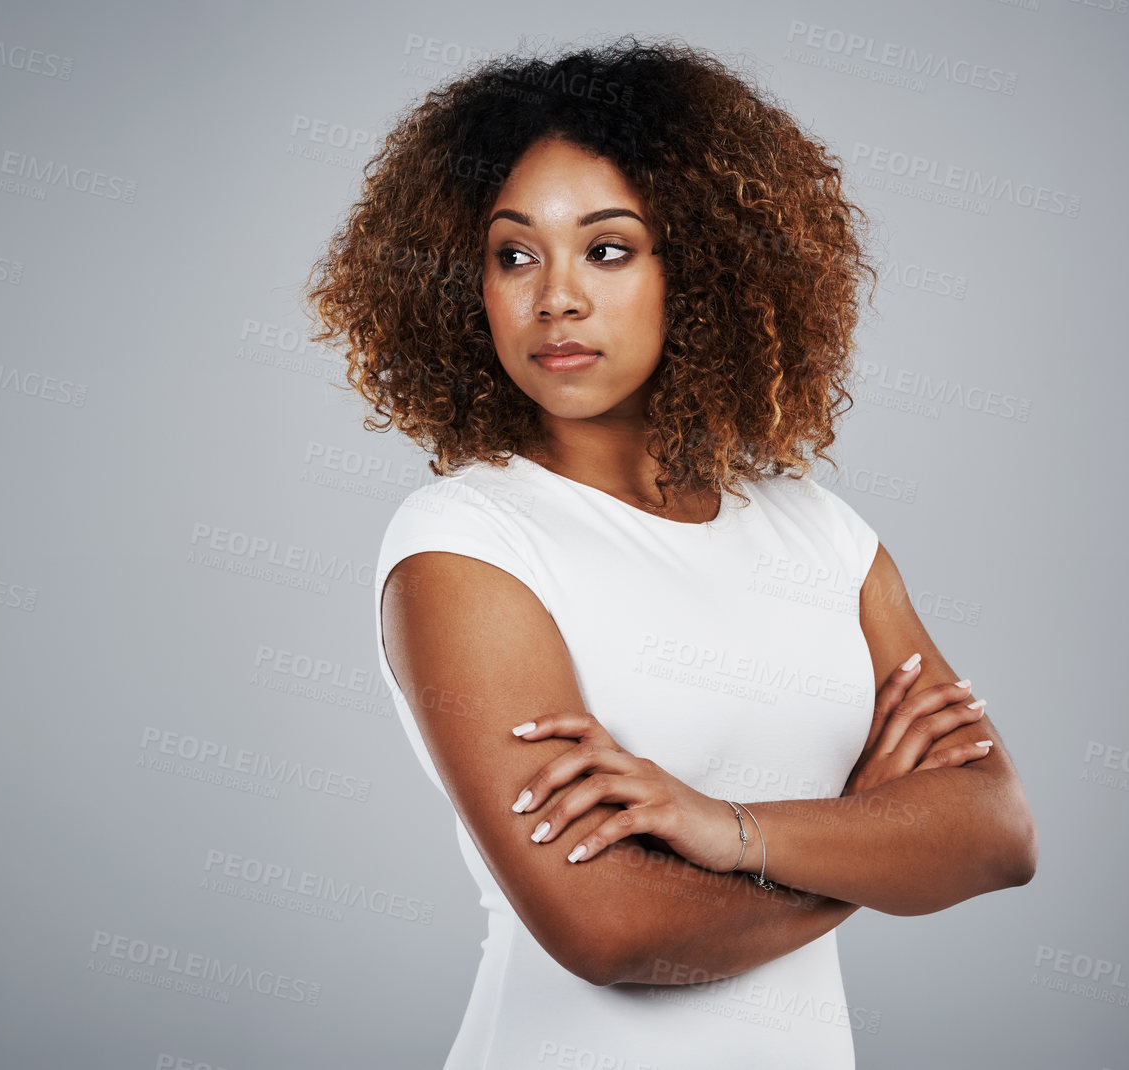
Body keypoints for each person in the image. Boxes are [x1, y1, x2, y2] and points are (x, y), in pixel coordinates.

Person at [304, 36, 1036, 1069]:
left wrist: (720, 825)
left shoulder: (812, 527)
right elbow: (607, 926)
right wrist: (864, 832)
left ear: (697, 264)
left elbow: (994, 832)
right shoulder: (466, 544)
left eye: (606, 248)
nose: (552, 295)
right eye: (512, 254)